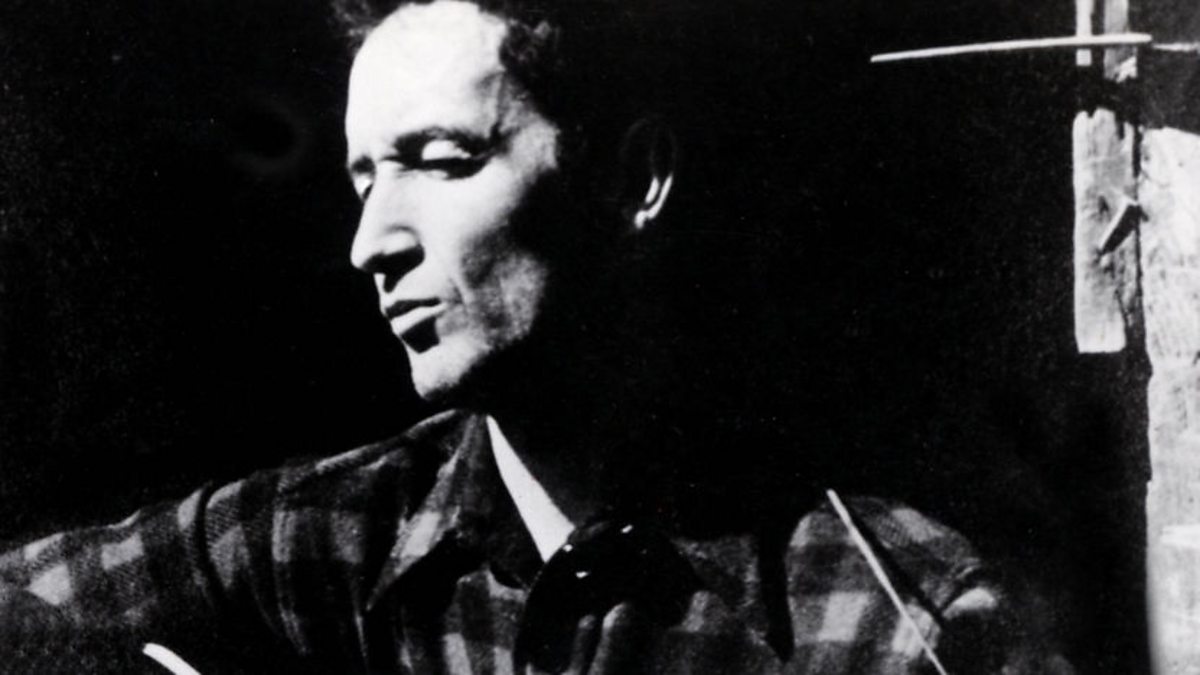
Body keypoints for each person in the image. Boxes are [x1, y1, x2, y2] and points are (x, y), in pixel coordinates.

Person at [0, 0, 1059, 672]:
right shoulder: (328, 538)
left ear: (634, 180)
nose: (372, 243)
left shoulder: (895, 620)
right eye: (366, 180)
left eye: (443, 162)